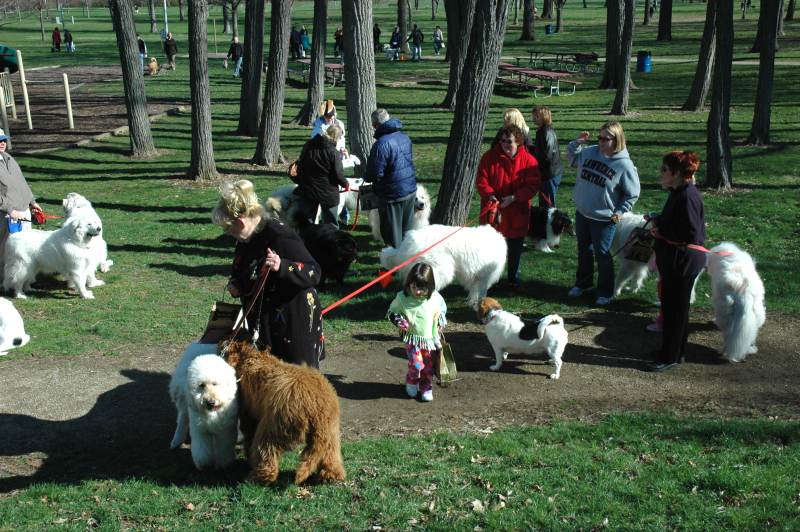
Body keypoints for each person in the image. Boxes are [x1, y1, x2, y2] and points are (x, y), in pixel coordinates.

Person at [212, 180, 325, 368]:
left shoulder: (280, 236)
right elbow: (245, 270)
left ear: (240, 222)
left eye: (227, 228)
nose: (227, 233)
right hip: (265, 324)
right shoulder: (245, 239)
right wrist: (237, 285)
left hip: (293, 322)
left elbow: (314, 272)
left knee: (298, 380)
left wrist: (283, 266)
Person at [567, 121, 640, 306]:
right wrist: (577, 143)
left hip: (604, 218)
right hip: (583, 212)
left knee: (602, 254)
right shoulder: (590, 151)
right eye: (599, 137)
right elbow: (573, 159)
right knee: (584, 250)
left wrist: (620, 211)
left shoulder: (624, 165)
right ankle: (583, 284)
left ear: (616, 140)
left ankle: (606, 292)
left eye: (605, 139)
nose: (600, 142)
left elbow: (632, 193)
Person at [646, 151, 705, 373]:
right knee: (673, 308)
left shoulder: (687, 196)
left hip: (683, 262)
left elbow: (690, 232)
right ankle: (676, 351)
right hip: (674, 260)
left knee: (675, 311)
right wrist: (657, 219)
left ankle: (669, 356)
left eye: (664, 170)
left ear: (678, 174)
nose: (660, 173)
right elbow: (675, 220)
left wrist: (661, 231)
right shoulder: (677, 192)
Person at [476, 124, 541, 290]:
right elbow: (481, 181)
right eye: (502, 140)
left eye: (509, 141)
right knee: (491, 251)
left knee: (514, 250)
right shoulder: (489, 157)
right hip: (494, 213)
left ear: (518, 142)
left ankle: (513, 279)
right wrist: (490, 195)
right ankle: (491, 280)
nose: (505, 144)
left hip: (517, 214)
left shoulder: (529, 161)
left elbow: (532, 186)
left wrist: (514, 198)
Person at [387, 262, 447, 402]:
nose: (418, 292)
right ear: (409, 283)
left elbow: (441, 311)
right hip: (412, 338)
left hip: (429, 338)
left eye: (422, 288)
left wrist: (440, 322)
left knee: (428, 365)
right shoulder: (403, 298)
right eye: (414, 287)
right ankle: (412, 381)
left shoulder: (435, 298)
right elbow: (392, 312)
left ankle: (426, 386)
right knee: (416, 364)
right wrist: (399, 321)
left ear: (430, 286)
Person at [364, 108, 418, 249]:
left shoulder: (381, 145)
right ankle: (407, 265)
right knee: (408, 235)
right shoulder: (404, 137)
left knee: (392, 237)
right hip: (410, 191)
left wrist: (367, 176)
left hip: (392, 195)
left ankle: (394, 268)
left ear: (374, 125)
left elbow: (373, 174)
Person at [0, 128, 40, 275]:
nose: (2, 143)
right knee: (7, 249)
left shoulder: (9, 158)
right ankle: (5, 279)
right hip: (7, 215)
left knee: (24, 249)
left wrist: (32, 201)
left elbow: (21, 182)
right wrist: (10, 209)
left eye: (3, 140)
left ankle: (23, 278)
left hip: (23, 211)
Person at [293, 124, 348, 229]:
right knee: (330, 223)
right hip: (327, 192)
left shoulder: (308, 145)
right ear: (335, 137)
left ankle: (306, 243)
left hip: (308, 189)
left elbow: (301, 163)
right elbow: (338, 174)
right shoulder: (333, 152)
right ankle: (331, 243)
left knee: (306, 223)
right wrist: (345, 183)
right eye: (340, 137)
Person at [531, 105, 563, 208]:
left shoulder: (547, 132)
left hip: (550, 173)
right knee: (543, 201)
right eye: (534, 116)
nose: (533, 118)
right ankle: (544, 221)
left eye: (536, 116)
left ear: (544, 117)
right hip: (545, 173)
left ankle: (553, 222)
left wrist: (538, 167)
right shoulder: (541, 131)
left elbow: (547, 155)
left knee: (549, 203)